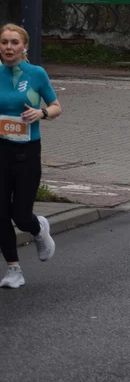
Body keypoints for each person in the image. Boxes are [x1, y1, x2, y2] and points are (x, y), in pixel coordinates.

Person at [0, 24, 60, 289]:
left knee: (20, 215)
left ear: (24, 47)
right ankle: (13, 269)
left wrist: (42, 113)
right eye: (4, 42)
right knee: (1, 213)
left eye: (14, 42)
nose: (8, 48)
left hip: (26, 152)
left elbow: (56, 106)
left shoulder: (36, 74)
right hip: (1, 149)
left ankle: (38, 229)